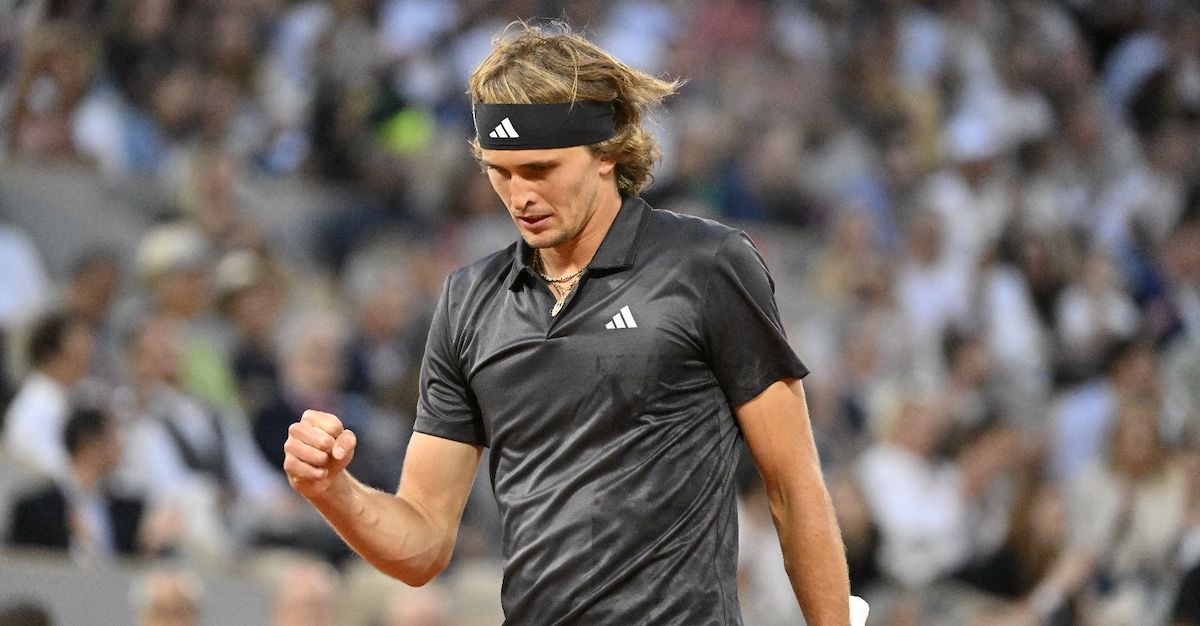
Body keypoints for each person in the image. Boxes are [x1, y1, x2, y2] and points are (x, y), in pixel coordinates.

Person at [283, 22, 850, 624]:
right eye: (500, 171)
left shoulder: (707, 265)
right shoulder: (468, 300)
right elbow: (422, 543)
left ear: (607, 152)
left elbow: (792, 486)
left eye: (540, 168)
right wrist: (334, 491)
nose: (518, 196)